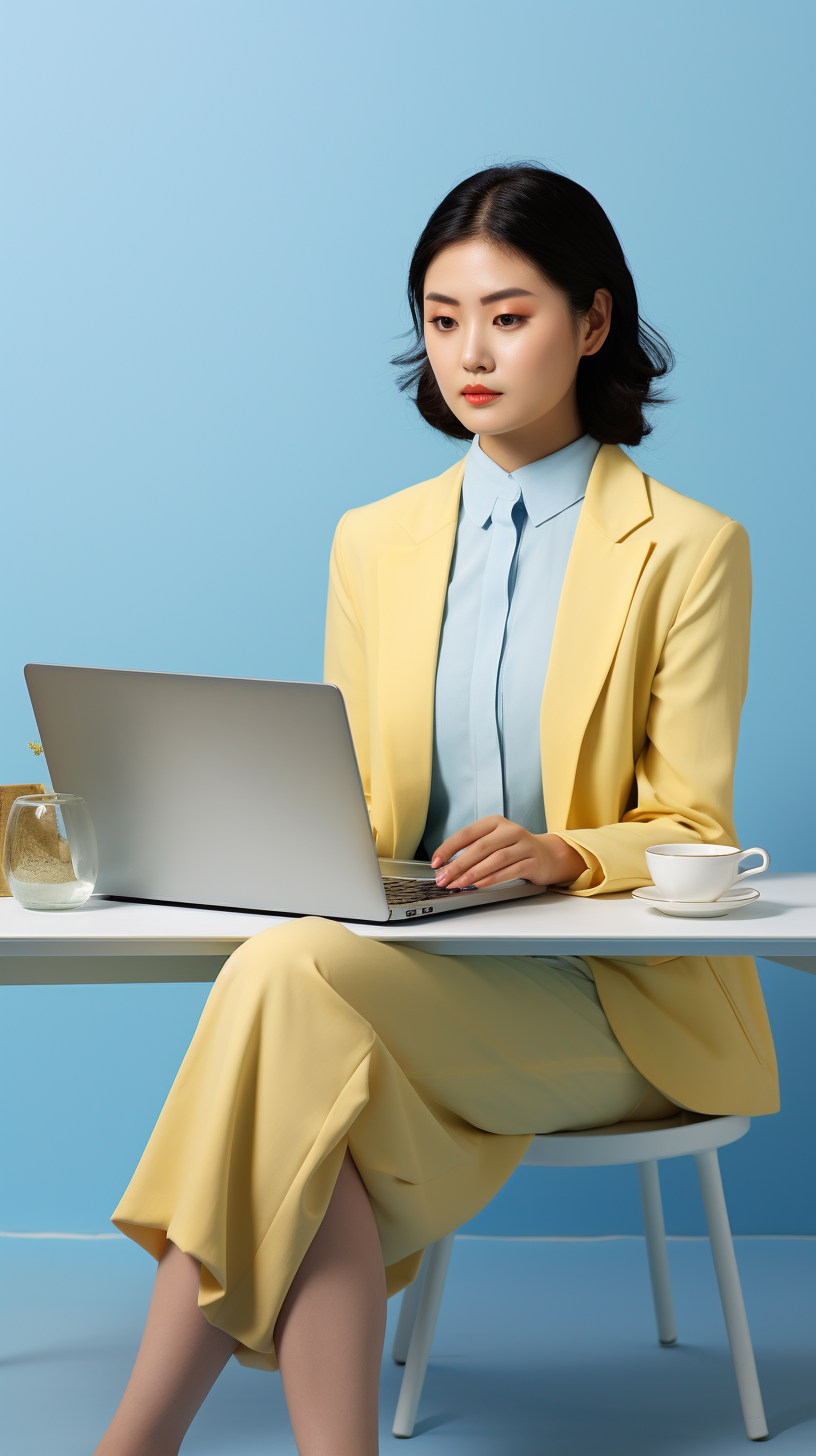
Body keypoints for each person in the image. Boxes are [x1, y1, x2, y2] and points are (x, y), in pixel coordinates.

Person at [94, 164, 778, 1456]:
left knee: (283, 985)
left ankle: (133, 1442)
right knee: (306, 1095)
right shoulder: (375, 540)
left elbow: (694, 826)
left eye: (508, 316)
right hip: (417, 971)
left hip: (618, 1002)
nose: (469, 351)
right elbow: (360, 798)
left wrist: (572, 850)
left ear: (591, 322)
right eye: (443, 315)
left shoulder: (690, 548)